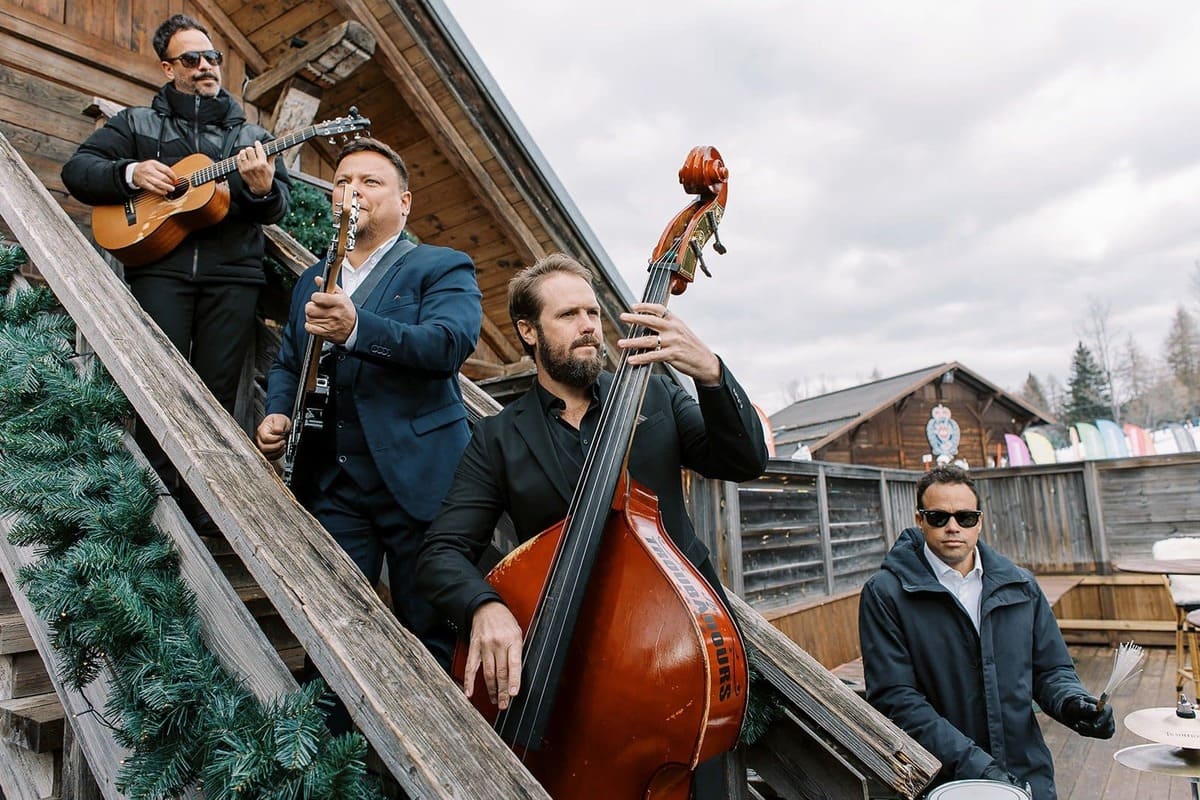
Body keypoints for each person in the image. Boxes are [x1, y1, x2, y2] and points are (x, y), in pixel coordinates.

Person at [415, 253, 768, 799]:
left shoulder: (655, 393)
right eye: (568, 316)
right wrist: (483, 605)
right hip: (570, 667)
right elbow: (441, 552)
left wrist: (712, 373)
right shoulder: (498, 438)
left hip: (670, 652)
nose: (588, 326)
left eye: (592, 313)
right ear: (529, 332)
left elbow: (744, 461)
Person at [255, 137, 481, 724]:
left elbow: (450, 344)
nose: (351, 190)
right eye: (341, 181)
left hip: (419, 477)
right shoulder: (312, 277)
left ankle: (435, 753)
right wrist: (279, 411)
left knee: (429, 626)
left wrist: (359, 328)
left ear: (404, 202)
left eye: (369, 182)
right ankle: (329, 758)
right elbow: (286, 362)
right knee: (333, 626)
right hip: (332, 481)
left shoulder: (441, 265)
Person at [62, 13, 290, 417]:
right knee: (157, 386)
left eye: (212, 57)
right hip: (159, 271)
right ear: (168, 68)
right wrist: (132, 173)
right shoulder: (137, 123)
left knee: (214, 398)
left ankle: (202, 482)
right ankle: (157, 483)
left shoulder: (253, 138)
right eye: (191, 59)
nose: (205, 65)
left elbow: (279, 207)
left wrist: (262, 189)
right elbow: (77, 170)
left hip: (233, 276)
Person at [858, 465, 1114, 800]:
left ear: (979, 520)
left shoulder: (1021, 585)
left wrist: (1074, 704)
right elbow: (897, 700)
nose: (953, 527)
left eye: (965, 517)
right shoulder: (886, 593)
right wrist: (978, 767)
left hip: (1026, 777)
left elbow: (1051, 669)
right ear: (919, 520)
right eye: (938, 517)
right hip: (942, 782)